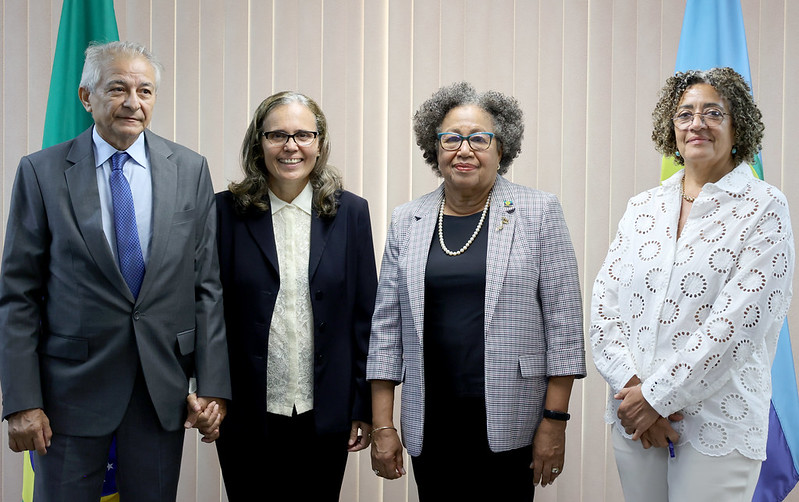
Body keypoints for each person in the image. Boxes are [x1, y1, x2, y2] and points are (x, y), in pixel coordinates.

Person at [0, 41, 230, 501]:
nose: (133, 102)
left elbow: (206, 286)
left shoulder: (190, 169)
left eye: (145, 91)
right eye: (118, 88)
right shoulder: (41, 172)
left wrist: (213, 387)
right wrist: (22, 401)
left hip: (159, 393)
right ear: (87, 97)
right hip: (68, 398)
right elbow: (18, 294)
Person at [366, 82, 586, 501]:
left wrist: (554, 421)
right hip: (431, 420)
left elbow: (564, 325)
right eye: (451, 138)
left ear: (501, 149)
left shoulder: (538, 212)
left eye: (479, 139)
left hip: (512, 418)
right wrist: (383, 425)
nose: (464, 150)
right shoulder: (406, 220)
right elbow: (385, 331)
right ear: (435, 149)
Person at [590, 67, 794, 501]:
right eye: (685, 114)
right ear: (673, 129)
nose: (696, 123)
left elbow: (738, 325)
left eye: (713, 113)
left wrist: (656, 398)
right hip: (634, 418)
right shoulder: (642, 207)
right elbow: (604, 307)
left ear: (738, 125)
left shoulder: (765, 207)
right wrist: (637, 395)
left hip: (718, 422)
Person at [214, 91, 378, 501]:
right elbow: (207, 312)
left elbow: (365, 317)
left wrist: (363, 405)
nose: (291, 146)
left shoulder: (351, 214)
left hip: (326, 411)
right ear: (259, 143)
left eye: (304, 134)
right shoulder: (223, 213)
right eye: (277, 135)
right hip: (246, 411)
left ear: (319, 143)